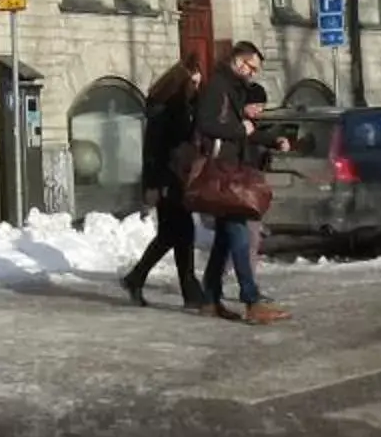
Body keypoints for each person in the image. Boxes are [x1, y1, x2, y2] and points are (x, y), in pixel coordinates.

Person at [193, 40, 290, 324]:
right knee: (238, 232)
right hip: (222, 173)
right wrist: (238, 128)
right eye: (251, 67)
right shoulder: (218, 87)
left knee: (226, 237)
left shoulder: (232, 88)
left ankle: (210, 298)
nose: (253, 73)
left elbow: (245, 132)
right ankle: (251, 300)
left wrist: (271, 139)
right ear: (238, 61)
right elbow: (206, 124)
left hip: (230, 171)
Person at [121, 56, 207, 309]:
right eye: (193, 79)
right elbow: (153, 151)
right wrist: (154, 184)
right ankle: (185, 290)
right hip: (168, 181)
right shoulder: (166, 109)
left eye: (198, 78)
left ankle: (140, 279)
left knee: (174, 235)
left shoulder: (186, 105)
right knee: (179, 234)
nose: (197, 83)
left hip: (177, 179)